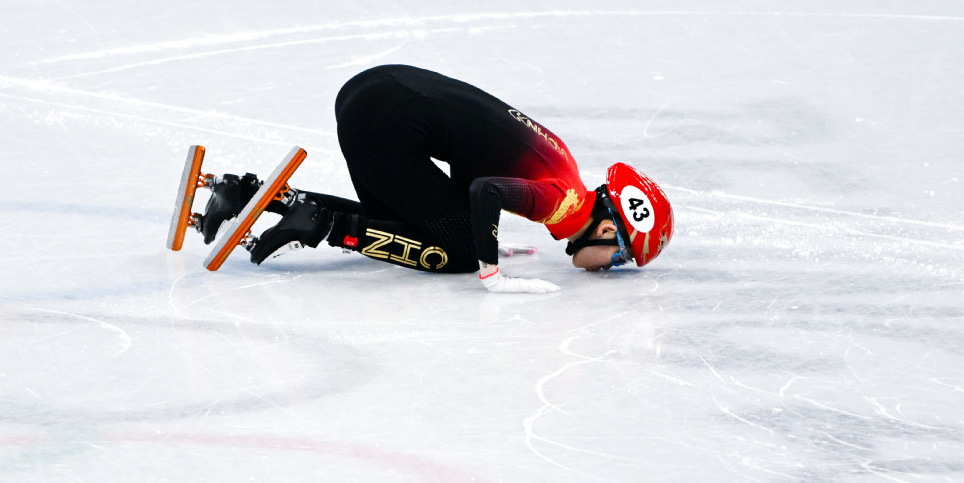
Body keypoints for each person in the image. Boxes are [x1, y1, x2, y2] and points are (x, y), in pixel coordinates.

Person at [224, 65, 672, 292]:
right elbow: (486, 191)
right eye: (619, 258)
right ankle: (320, 223)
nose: (609, 267)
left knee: (402, 224)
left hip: (374, 92)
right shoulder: (562, 201)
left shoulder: (564, 169)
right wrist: (490, 268)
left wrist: (485, 230)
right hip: (386, 115)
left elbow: (478, 162)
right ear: (609, 230)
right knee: (456, 254)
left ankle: (246, 194)